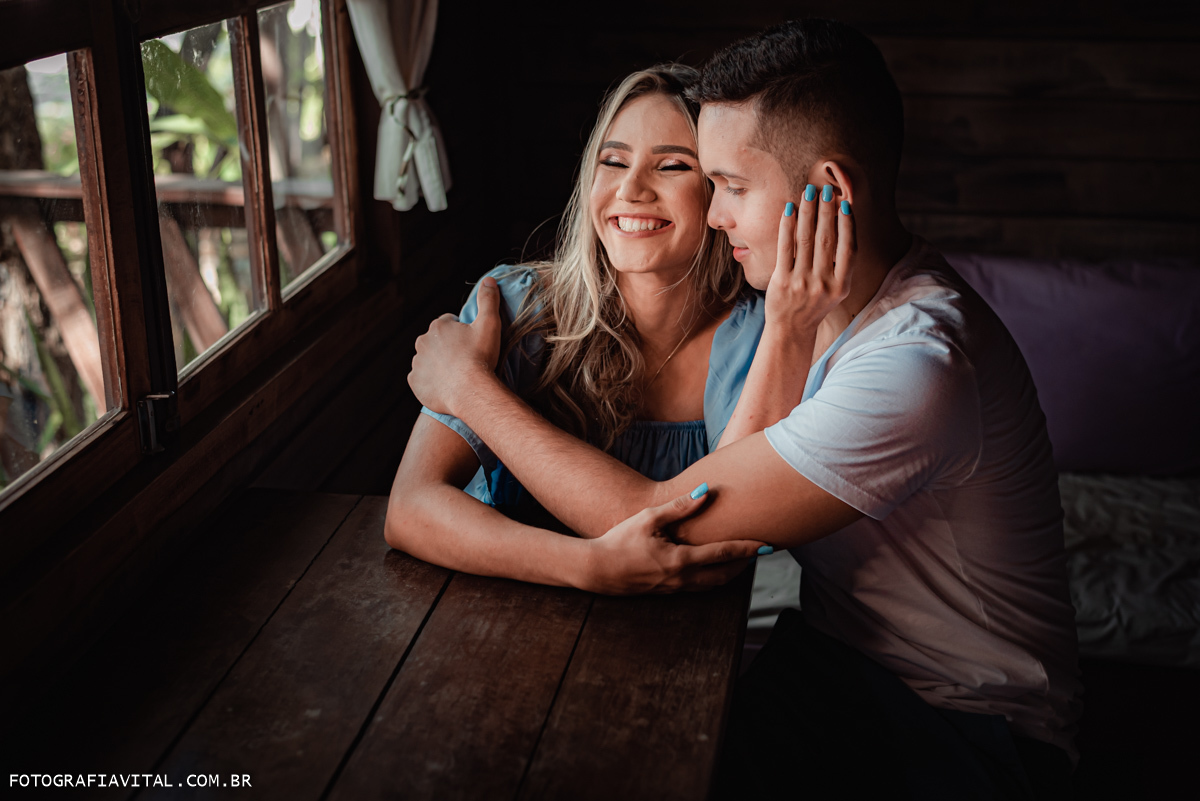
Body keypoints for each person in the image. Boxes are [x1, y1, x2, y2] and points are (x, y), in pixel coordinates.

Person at [406, 19, 1081, 799]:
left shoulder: (914, 364)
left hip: (967, 729)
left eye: (727, 183)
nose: (716, 213)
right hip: (836, 669)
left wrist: (467, 390)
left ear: (831, 190)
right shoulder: (811, 310)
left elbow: (667, 515)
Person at [385, 64, 771, 592]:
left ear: (719, 193)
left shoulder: (758, 338)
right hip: (497, 619)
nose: (630, 188)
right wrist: (589, 565)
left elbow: (711, 541)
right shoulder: (515, 306)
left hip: (687, 644)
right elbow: (411, 508)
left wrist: (467, 385)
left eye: (672, 166)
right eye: (612, 161)